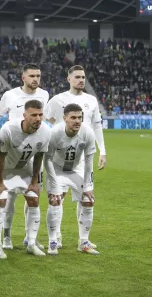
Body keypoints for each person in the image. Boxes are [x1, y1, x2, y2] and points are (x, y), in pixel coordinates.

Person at [44, 65, 106, 249]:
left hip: (81, 155)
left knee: (87, 197)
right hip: (60, 157)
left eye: (83, 77)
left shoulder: (91, 100)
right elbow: (47, 119)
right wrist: (61, 132)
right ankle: (56, 237)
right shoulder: (58, 99)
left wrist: (102, 150)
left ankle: (83, 241)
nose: (81, 80)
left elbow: (97, 126)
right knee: (57, 198)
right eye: (77, 77)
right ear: (68, 79)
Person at [0, 63, 49, 250]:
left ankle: (29, 237)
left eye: (38, 76)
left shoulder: (45, 95)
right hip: (11, 146)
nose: (35, 79)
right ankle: (6, 237)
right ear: (23, 77)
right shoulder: (10, 95)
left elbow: (45, 119)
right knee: (9, 198)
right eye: (32, 75)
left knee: (33, 194)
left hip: (31, 151)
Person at [44, 103, 99, 255]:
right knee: (55, 199)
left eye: (80, 117)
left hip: (77, 169)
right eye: (73, 117)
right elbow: (47, 160)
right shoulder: (54, 133)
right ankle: (54, 240)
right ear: (64, 119)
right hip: (57, 169)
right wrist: (54, 184)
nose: (77, 121)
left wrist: (88, 186)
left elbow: (89, 161)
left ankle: (84, 242)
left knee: (89, 200)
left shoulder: (87, 132)